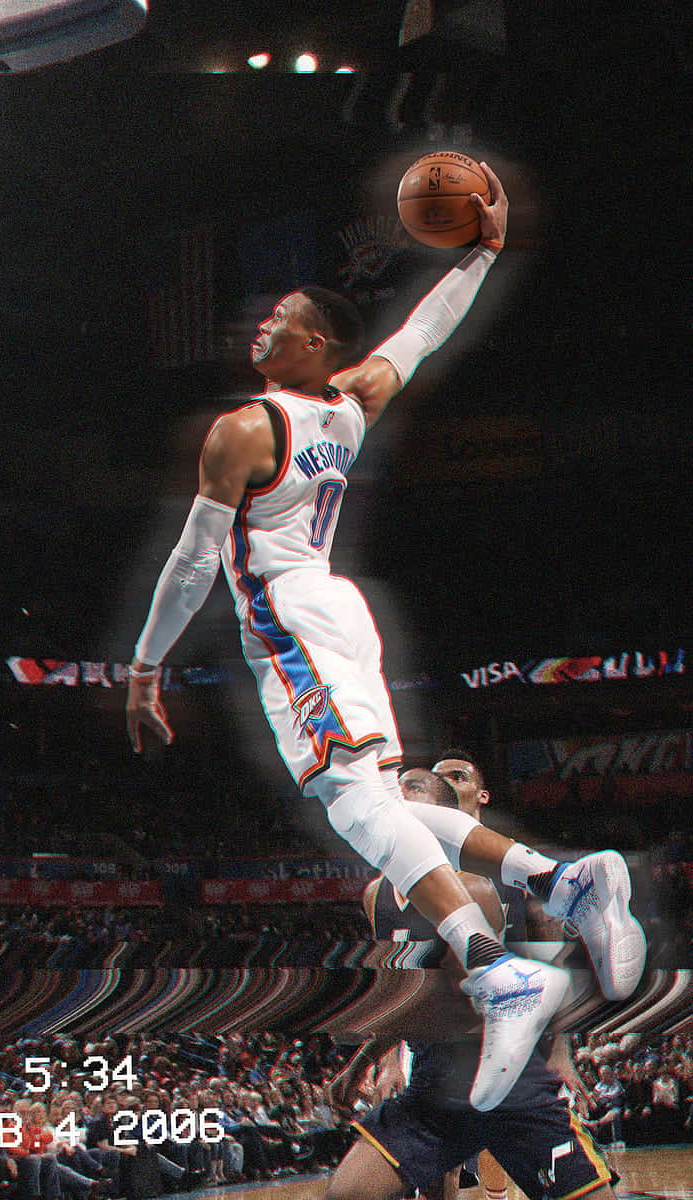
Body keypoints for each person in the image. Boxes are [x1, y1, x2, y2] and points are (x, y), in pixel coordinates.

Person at [126, 161, 645, 1112]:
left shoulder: (243, 430)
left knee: (348, 801)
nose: (260, 327)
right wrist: (483, 249)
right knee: (379, 800)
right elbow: (425, 332)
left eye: (278, 318)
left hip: (289, 620)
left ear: (313, 342)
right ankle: (561, 879)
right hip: (339, 612)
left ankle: (495, 965)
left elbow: (194, 563)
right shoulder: (351, 402)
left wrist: (142, 670)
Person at [326, 770, 617, 1200]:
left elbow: (441, 1004)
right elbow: (402, 995)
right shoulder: (377, 896)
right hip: (433, 1091)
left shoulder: (476, 892)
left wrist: (559, 1050)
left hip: (509, 1091)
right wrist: (363, 1061)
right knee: (345, 1194)